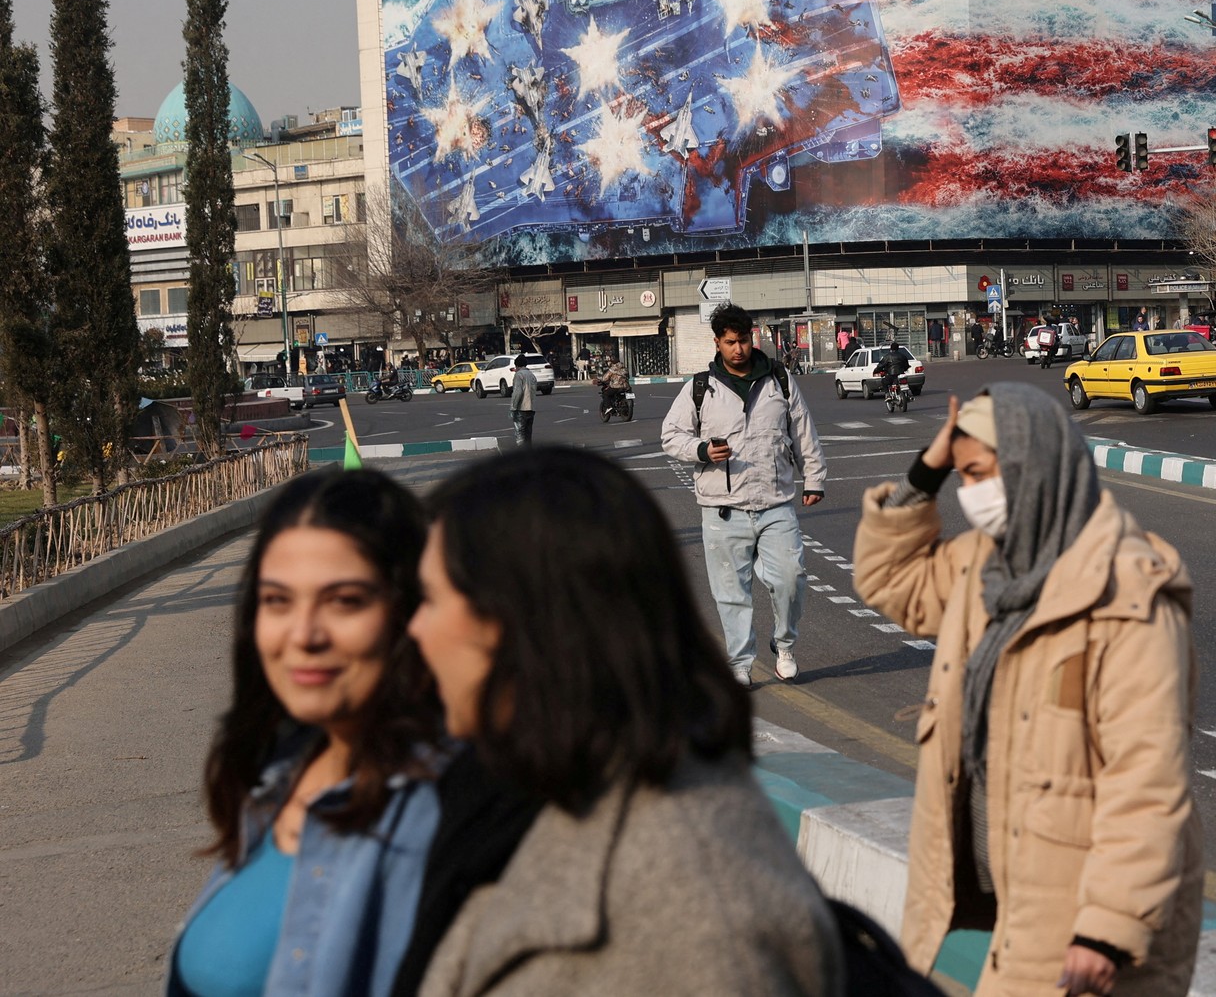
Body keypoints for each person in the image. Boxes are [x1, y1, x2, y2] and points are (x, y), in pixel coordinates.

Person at [408, 448, 842, 995]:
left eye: (427, 600)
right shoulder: (502, 798)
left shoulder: (696, 917)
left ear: (524, 622)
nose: (411, 630)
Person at [853, 388, 1203, 997]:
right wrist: (926, 470)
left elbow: (1146, 783)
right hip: (1024, 894)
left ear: (1030, 467)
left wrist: (1105, 930)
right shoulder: (988, 567)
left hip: (1089, 924)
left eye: (980, 475)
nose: (971, 495)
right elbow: (891, 580)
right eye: (963, 478)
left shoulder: (1128, 599)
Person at [173, 470, 443, 997]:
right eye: (277, 601)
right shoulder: (278, 772)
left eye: (344, 601)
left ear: (409, 611)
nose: (304, 635)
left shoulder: (446, 810)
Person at [660, 303, 827, 686]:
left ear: (754, 338)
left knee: (791, 578)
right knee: (731, 594)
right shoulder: (700, 389)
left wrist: (814, 479)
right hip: (722, 510)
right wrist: (701, 451)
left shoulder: (779, 380)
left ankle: (784, 644)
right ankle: (739, 663)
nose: (739, 349)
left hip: (775, 503)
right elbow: (671, 435)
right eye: (730, 342)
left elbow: (804, 432)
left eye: (744, 340)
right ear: (717, 343)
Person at [507, 355, 536, 448]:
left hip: (521, 408)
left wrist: (513, 408)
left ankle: (521, 456)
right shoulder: (531, 375)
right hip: (531, 408)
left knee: (520, 435)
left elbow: (517, 392)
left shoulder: (519, 375)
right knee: (528, 435)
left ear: (517, 365)